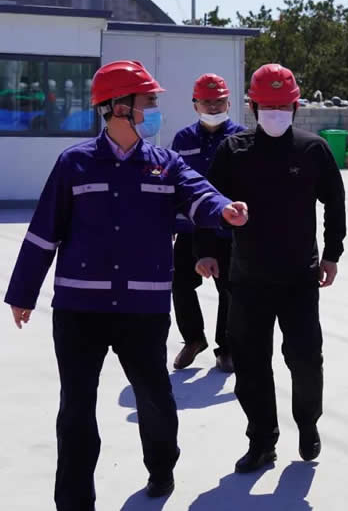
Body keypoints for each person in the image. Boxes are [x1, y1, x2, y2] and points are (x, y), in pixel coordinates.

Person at [4, 60, 248, 510]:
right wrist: (23, 293)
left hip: (142, 307)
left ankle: (162, 467)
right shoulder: (75, 164)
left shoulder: (165, 164)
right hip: (80, 309)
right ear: (118, 107)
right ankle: (74, 500)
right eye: (148, 101)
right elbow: (43, 230)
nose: (154, 110)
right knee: (76, 408)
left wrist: (223, 210)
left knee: (155, 398)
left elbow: (198, 193)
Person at [195, 63, 346, 473]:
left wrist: (332, 254)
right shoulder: (234, 150)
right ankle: (262, 440)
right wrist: (205, 250)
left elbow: (334, 201)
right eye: (268, 106)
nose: (275, 113)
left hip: (300, 277)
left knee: (305, 357)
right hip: (247, 278)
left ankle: (308, 423)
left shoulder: (313, 149)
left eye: (282, 106)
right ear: (252, 106)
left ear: (295, 106)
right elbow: (209, 201)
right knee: (250, 364)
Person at [171, 73, 246, 373]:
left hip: (226, 228)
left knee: (229, 289)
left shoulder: (241, 138)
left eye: (218, 101)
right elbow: (174, 183)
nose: (213, 107)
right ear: (195, 105)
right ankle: (193, 339)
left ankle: (226, 348)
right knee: (180, 284)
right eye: (206, 102)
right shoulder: (183, 139)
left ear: (228, 103)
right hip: (190, 226)